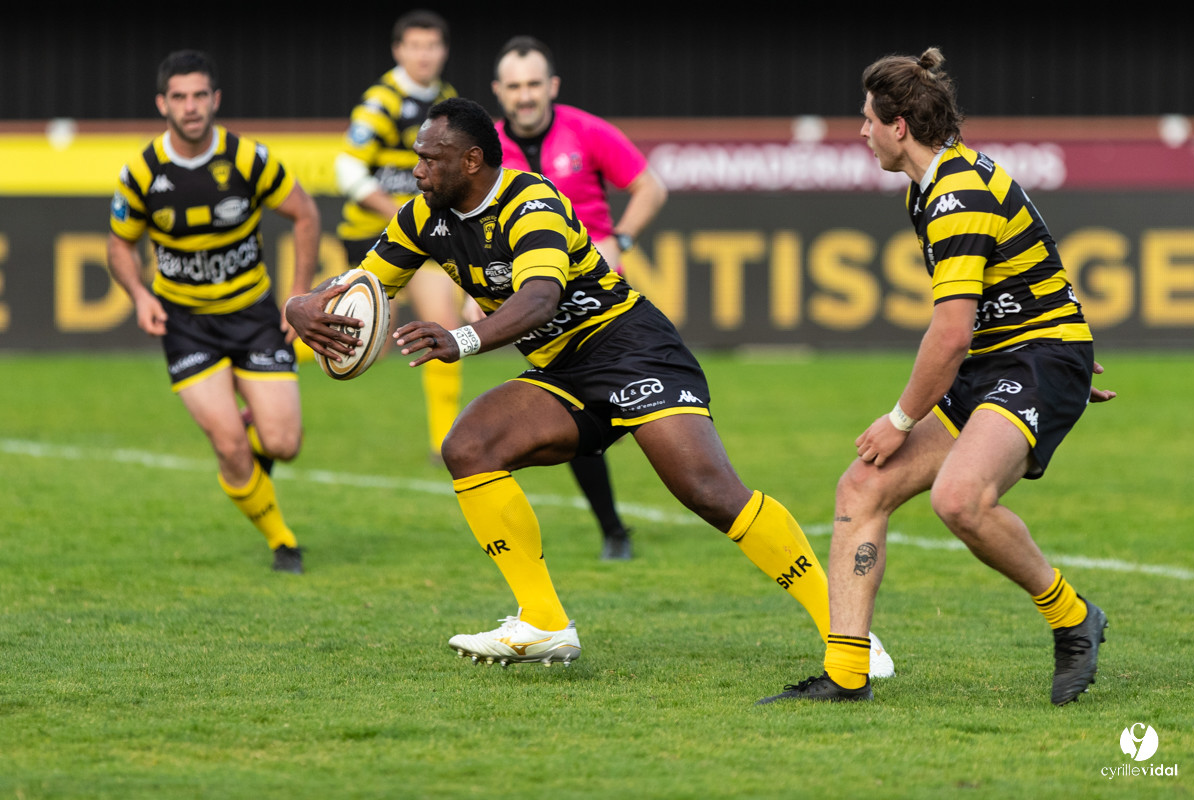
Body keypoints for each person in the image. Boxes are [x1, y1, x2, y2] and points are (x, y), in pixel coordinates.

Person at [286, 98, 891, 672]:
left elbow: (540, 297)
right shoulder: (425, 217)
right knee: (468, 446)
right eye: (416, 158)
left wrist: (462, 340)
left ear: (471, 161)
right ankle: (544, 622)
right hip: (562, 371)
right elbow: (363, 283)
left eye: (429, 159)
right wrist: (301, 306)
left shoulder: (531, 204)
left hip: (632, 349)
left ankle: (851, 635)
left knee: (710, 492)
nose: (416, 171)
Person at [758, 48, 1116, 706]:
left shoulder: (955, 195)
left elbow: (950, 335)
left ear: (899, 126)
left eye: (867, 120)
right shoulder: (931, 186)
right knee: (861, 486)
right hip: (1013, 358)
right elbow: (1028, 261)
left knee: (959, 498)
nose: (860, 132)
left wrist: (899, 422)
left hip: (1033, 359)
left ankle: (1073, 619)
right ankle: (845, 676)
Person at [107, 49, 320, 574]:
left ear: (216, 99)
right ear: (163, 104)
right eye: (179, 96)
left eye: (200, 94)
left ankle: (247, 430)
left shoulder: (248, 158)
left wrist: (297, 299)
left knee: (284, 443)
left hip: (254, 314)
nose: (191, 106)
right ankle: (282, 541)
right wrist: (140, 294)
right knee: (228, 446)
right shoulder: (141, 172)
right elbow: (118, 245)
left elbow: (306, 214)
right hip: (185, 324)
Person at [491, 35, 670, 560]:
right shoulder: (486, 150)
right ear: (500, 91)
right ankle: (614, 530)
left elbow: (650, 187)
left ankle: (635, 518)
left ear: (552, 86)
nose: (525, 96)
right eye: (515, 86)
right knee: (574, 411)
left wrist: (624, 237)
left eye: (533, 84)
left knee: (634, 401)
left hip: (597, 294)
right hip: (534, 302)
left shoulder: (586, 130)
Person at [335, 10, 472, 466]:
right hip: (373, 232)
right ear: (398, 51)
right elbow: (347, 167)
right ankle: (272, 364)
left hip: (424, 233)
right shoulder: (382, 100)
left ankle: (443, 442)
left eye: (432, 46)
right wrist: (398, 211)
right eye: (415, 46)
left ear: (444, 51)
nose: (424, 55)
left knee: (444, 326)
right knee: (348, 331)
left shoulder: (449, 100)